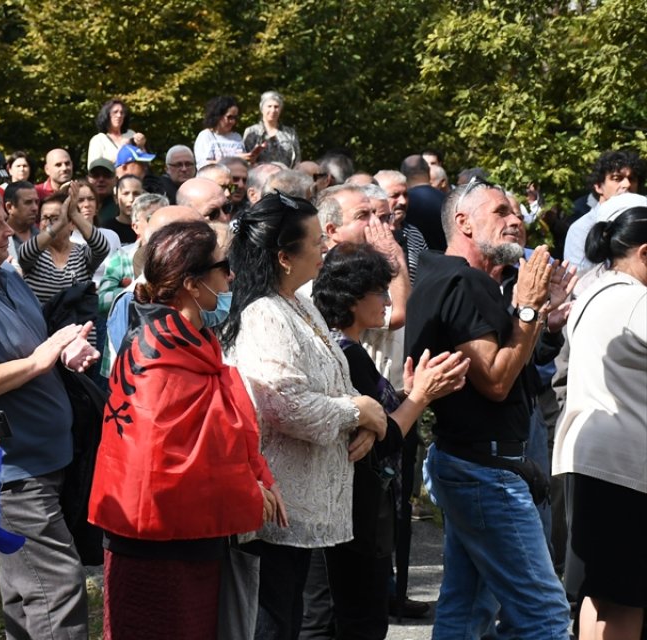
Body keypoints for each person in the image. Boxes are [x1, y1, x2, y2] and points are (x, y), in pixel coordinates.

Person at [90, 220, 278, 640]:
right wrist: (251, 489)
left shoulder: (187, 340)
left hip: (189, 535)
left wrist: (256, 475)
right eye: (223, 266)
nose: (231, 276)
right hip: (153, 542)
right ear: (193, 285)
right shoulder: (157, 351)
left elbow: (214, 436)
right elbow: (167, 461)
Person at [405, 181, 574, 637]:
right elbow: (496, 381)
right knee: (545, 615)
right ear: (463, 222)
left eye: (518, 211)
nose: (515, 220)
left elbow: (514, 365)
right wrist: (526, 306)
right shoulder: (462, 281)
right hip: (485, 471)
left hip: (474, 463)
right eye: (501, 210)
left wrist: (542, 320)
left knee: (467, 609)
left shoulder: (449, 277)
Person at [0, 182, 99, 640]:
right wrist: (36, 362)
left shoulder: (5, 274)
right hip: (13, 473)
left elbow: (35, 341)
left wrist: (66, 351)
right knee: (58, 589)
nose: (10, 230)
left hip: (47, 461)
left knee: (29, 592)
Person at [220, 192, 388, 640]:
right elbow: (285, 404)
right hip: (278, 503)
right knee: (273, 624)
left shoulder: (299, 303)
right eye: (315, 242)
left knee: (292, 619)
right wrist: (359, 409)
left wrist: (363, 420)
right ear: (283, 257)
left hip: (304, 499)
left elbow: (332, 377)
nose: (324, 249)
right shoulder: (265, 315)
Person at [308, 242, 468, 638]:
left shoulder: (337, 347)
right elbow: (384, 439)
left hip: (347, 515)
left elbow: (379, 419)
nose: (386, 300)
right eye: (379, 290)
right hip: (356, 516)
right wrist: (421, 396)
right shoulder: (346, 353)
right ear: (351, 298)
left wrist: (401, 395)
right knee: (356, 620)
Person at [553, 206, 647, 640]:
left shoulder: (593, 290)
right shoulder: (635, 300)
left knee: (599, 593)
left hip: (584, 454)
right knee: (629, 599)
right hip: (625, 464)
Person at [17, 180, 111, 310]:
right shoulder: (35, 254)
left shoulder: (82, 254)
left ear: (72, 224)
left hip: (80, 327)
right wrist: (60, 223)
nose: (49, 223)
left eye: (56, 217)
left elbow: (102, 247)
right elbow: (24, 253)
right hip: (43, 329)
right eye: (45, 218)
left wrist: (73, 214)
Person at [242, 91, 301, 166]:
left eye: (276, 107)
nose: (273, 110)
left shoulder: (290, 133)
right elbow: (246, 160)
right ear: (262, 109)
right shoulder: (252, 132)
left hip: (286, 175)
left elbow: (297, 160)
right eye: (269, 106)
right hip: (259, 175)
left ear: (280, 110)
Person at [88, 98, 145, 167]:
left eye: (122, 113)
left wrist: (141, 146)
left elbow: (145, 164)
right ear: (107, 115)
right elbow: (93, 168)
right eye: (115, 112)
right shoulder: (98, 140)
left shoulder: (131, 134)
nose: (119, 115)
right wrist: (122, 151)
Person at [194, 95, 248, 166]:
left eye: (235, 118)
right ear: (218, 116)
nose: (233, 121)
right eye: (229, 117)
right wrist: (234, 159)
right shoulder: (205, 136)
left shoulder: (237, 137)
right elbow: (203, 164)